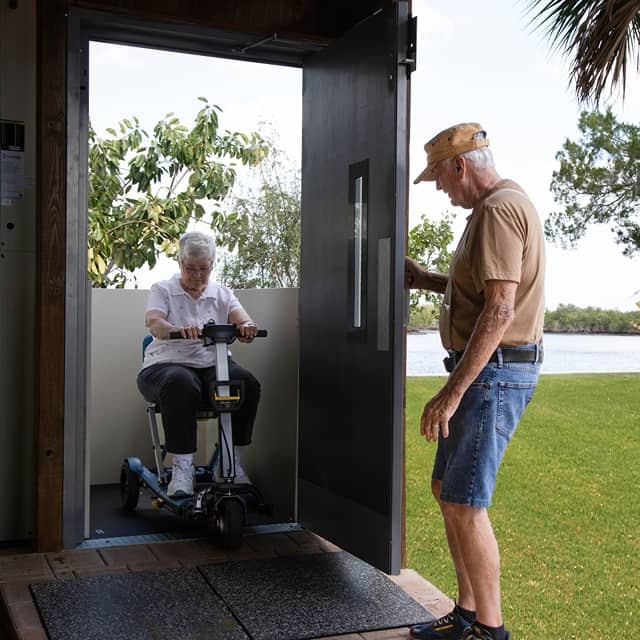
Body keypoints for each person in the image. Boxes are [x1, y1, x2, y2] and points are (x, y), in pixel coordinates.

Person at [406, 123, 545, 640]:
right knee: (447, 489)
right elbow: (482, 290)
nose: (439, 189)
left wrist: (453, 391)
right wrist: (426, 280)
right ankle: (465, 614)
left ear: (460, 166)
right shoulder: (494, 209)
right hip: (490, 370)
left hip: (495, 373)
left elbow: (501, 308)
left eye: (439, 178)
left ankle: (490, 629)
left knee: (466, 501)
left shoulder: (498, 210)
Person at [137, 230, 261, 497]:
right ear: (180, 263)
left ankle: (231, 463)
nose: (196, 275)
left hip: (211, 365)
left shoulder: (222, 293)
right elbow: (155, 324)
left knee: (246, 383)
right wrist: (178, 329)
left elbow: (243, 320)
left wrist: (247, 327)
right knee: (181, 382)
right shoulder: (163, 290)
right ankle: (182, 470)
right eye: (190, 268)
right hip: (164, 366)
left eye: (203, 269)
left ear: (212, 266)